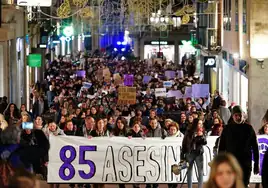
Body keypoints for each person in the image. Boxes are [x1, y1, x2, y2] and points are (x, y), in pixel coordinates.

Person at [218, 105, 259, 187]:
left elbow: (255, 147)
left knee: (244, 184)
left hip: (245, 163)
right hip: (231, 163)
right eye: (236, 115)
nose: (238, 117)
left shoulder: (249, 128)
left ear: (243, 115)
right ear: (232, 116)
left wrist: (256, 164)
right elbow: (221, 148)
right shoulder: (227, 129)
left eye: (240, 115)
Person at [181, 118, 207, 188]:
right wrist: (182, 156)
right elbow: (184, 143)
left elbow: (204, 142)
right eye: (199, 123)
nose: (200, 125)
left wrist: (201, 136)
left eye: (201, 123)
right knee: (189, 172)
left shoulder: (203, 131)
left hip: (199, 154)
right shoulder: (189, 131)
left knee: (200, 172)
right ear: (195, 124)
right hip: (189, 153)